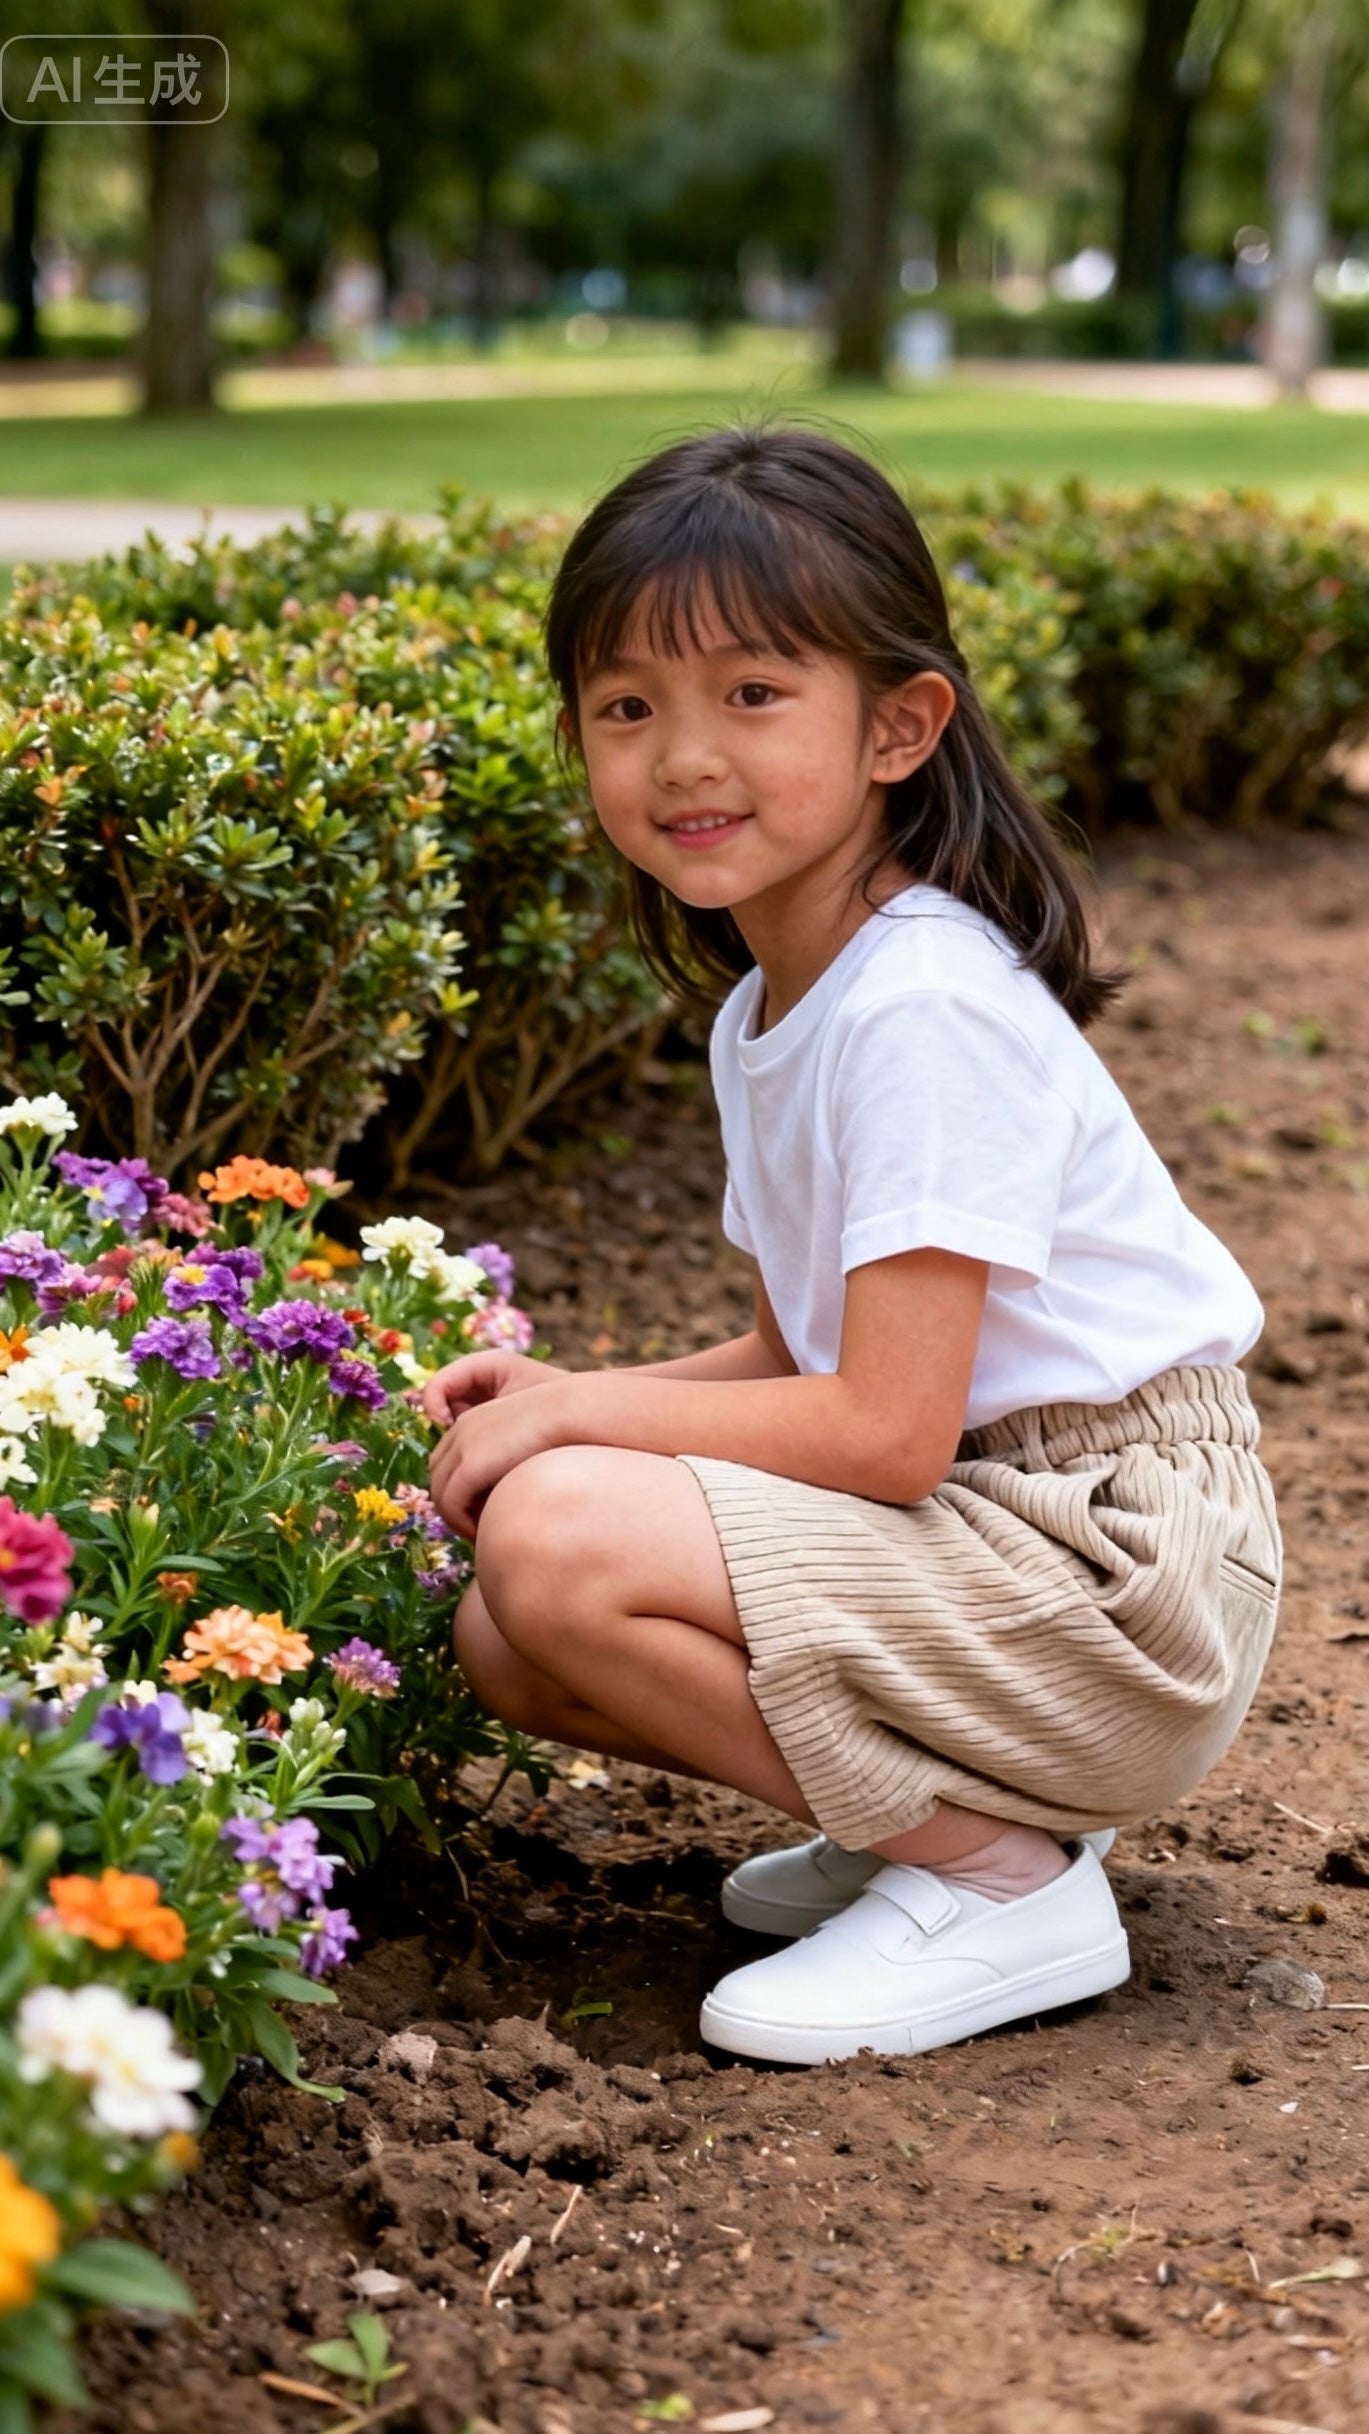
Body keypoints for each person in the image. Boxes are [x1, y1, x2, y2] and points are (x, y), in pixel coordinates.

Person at [422, 421, 1282, 2068]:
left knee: (558, 1544)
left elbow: (879, 1430)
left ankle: (991, 1874)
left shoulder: (922, 1002)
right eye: (627, 706)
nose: (682, 757)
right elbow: (794, 1360)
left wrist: (569, 1428)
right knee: (503, 1623)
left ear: (898, 725)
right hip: (997, 1526)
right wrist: (569, 1388)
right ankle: (939, 1809)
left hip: (1114, 1571)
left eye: (751, 695)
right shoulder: (778, 1001)